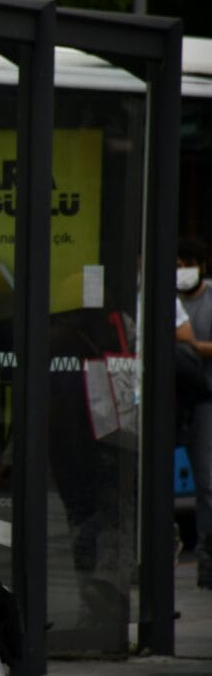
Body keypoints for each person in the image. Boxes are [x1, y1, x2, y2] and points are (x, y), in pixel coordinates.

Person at [177, 237, 212, 589]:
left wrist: (191, 346)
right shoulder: (165, 298)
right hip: (171, 403)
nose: (179, 272)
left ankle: (207, 559)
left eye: (182, 264)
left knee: (207, 484)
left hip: (204, 401)